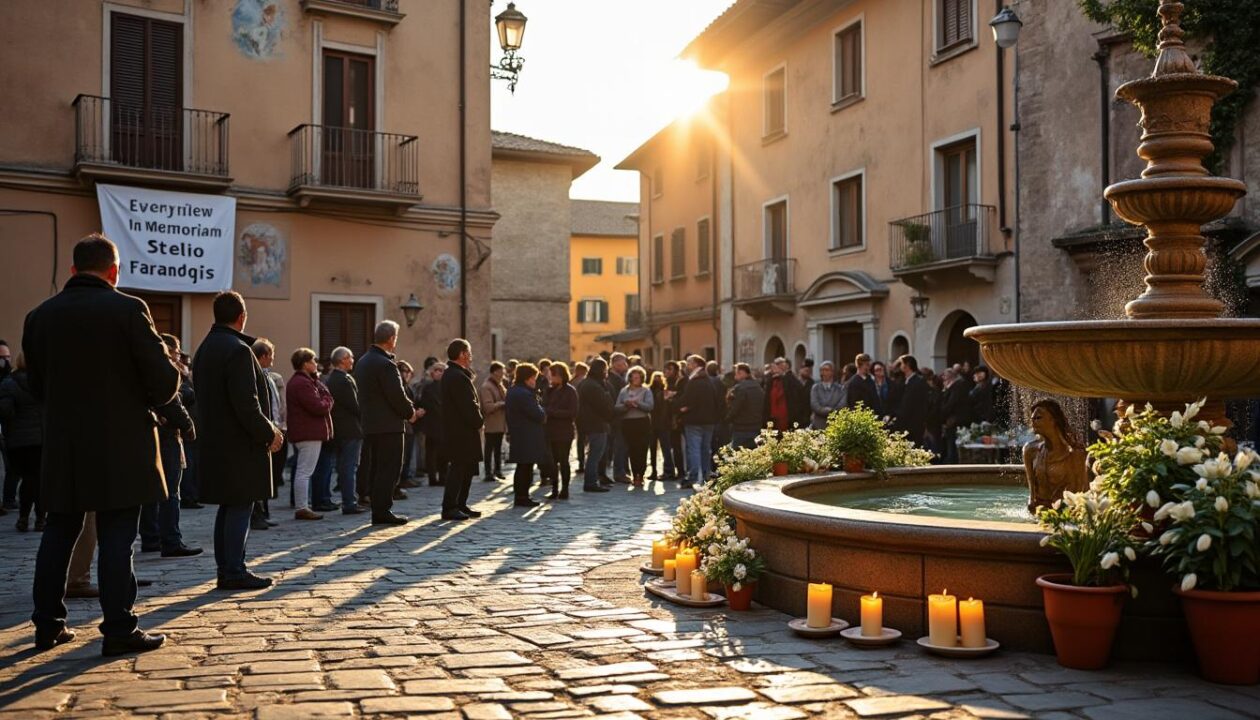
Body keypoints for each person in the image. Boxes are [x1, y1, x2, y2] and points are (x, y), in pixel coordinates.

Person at [25, 234, 177, 654]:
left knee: (58, 531)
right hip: (121, 445)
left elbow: (36, 385)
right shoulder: (129, 309)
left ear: (73, 271)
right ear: (114, 272)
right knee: (116, 536)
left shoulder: (40, 316)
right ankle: (118, 629)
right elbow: (163, 384)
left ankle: (47, 624)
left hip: (64, 445)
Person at [195, 291, 283, 591]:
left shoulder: (206, 347)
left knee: (229, 506)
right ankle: (233, 569)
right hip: (238, 444)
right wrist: (269, 433)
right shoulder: (237, 349)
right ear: (242, 316)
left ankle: (227, 568)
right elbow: (247, 404)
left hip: (216, 441)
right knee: (240, 506)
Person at [139, 334, 200, 557]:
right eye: (176, 352)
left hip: (154, 433)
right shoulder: (164, 370)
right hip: (167, 436)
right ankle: (170, 540)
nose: (179, 356)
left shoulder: (147, 369)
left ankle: (151, 537)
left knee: (153, 491)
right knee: (170, 492)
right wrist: (188, 426)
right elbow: (172, 401)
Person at [354, 321, 420, 526]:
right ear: (391, 339)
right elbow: (396, 395)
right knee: (389, 468)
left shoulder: (363, 361)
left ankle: (378, 508)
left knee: (376, 468)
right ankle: (382, 510)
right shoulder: (386, 364)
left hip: (370, 424)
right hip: (389, 425)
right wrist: (410, 413)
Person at [439, 339, 485, 521]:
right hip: (460, 432)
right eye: (469, 352)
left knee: (466, 469)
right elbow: (468, 406)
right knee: (458, 469)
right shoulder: (456, 376)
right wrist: (478, 420)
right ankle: (450, 506)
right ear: (462, 354)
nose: (471, 356)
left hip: (463, 431)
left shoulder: (457, 374)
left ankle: (460, 503)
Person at [286, 347, 333, 521]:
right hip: (308, 432)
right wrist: (328, 399)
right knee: (304, 471)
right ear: (305, 364)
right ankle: (302, 507)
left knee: (303, 470)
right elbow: (318, 406)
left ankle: (303, 505)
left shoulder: (305, 381)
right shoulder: (301, 383)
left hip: (306, 431)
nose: (316, 364)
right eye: (313, 361)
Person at [0, 352, 44, 531]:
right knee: (41, 481)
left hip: (19, 442)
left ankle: (24, 517)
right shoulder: (43, 383)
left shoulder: (8, 383)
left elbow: (5, 411)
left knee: (27, 479)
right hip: (42, 438)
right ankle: (41, 518)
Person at [1024, 398, 1089, 512]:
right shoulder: (1030, 450)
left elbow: (1082, 491)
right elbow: (1032, 494)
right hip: (1039, 513)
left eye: (1038, 418)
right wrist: (1031, 504)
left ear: (1053, 420)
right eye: (1032, 418)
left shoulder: (1075, 454)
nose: (1033, 421)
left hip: (1066, 514)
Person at [326, 346, 366, 514]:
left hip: (340, 429)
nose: (352, 360)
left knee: (344, 466)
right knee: (350, 467)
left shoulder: (330, 379)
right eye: (350, 358)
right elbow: (355, 405)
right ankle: (349, 502)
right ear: (342, 360)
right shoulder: (344, 379)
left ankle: (348, 500)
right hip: (350, 429)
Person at [249, 339, 284, 530]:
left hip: (274, 426)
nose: (273, 358)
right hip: (264, 429)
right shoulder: (255, 375)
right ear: (263, 356)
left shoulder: (268, 376)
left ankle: (264, 512)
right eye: (271, 354)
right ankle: (256, 514)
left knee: (269, 474)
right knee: (258, 476)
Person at [505, 363, 546, 508]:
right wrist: (541, 407)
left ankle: (521, 496)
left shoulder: (513, 390)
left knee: (523, 467)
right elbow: (539, 414)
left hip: (520, 434)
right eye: (533, 378)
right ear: (528, 378)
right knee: (525, 467)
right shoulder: (524, 394)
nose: (535, 381)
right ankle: (522, 496)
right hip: (527, 435)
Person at [678, 355, 718, 489]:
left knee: (694, 449)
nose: (686, 366)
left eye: (689, 363)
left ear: (695, 364)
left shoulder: (694, 381)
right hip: (709, 420)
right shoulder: (709, 380)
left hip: (694, 420)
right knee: (706, 449)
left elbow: (688, 401)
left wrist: (682, 407)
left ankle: (693, 476)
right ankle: (707, 474)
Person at [576, 357, 614, 493]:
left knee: (594, 454)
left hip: (589, 423)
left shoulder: (586, 383)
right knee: (595, 455)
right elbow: (603, 405)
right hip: (596, 424)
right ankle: (591, 482)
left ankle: (593, 480)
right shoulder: (594, 385)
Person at [615, 365, 655, 488]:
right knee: (632, 450)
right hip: (628, 423)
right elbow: (617, 407)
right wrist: (626, 405)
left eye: (638, 377)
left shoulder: (646, 390)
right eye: (634, 377)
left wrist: (638, 403)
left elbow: (650, 406)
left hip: (642, 422)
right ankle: (635, 474)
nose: (636, 379)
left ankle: (640, 475)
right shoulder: (624, 391)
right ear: (630, 378)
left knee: (642, 449)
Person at [543, 362, 578, 499]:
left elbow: (573, 412)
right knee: (552, 461)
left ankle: (565, 489)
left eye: (553, 375)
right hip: (550, 431)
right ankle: (554, 488)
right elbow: (544, 405)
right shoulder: (549, 390)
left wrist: (553, 412)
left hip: (564, 431)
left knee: (563, 461)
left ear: (561, 375)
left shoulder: (570, 391)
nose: (550, 378)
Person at [418, 362, 446, 487]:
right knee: (431, 453)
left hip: (444, 425)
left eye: (441, 370)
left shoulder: (448, 387)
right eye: (436, 370)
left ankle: (443, 477)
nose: (439, 372)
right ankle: (432, 478)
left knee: (443, 453)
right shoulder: (427, 388)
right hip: (431, 425)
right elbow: (423, 405)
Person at [726, 363, 765, 449]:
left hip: (741, 427)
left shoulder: (740, 388)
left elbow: (735, 408)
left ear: (742, 373)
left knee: (738, 455)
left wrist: (727, 419)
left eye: (736, 373)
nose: (735, 376)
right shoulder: (758, 387)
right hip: (756, 426)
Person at [480, 361, 508, 482]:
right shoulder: (487, 386)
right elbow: (488, 407)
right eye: (502, 372)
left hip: (499, 422)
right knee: (489, 448)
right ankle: (488, 472)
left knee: (497, 448)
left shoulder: (499, 385)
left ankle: (497, 470)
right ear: (495, 372)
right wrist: (503, 403)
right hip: (491, 423)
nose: (503, 374)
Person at [893, 355, 928, 446]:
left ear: (907, 365)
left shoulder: (918, 382)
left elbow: (920, 403)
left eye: (902, 364)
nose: (900, 366)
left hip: (914, 424)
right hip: (904, 423)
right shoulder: (905, 381)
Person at [398, 361, 421, 491]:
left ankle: (405, 478)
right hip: (404, 425)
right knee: (402, 456)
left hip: (411, 426)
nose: (406, 374)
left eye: (408, 372)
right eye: (404, 371)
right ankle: (400, 481)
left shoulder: (408, 387)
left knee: (407, 455)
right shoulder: (399, 386)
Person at [809, 361, 845, 430]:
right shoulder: (815, 388)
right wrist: (826, 410)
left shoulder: (840, 389)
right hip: (818, 425)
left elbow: (842, 405)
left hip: (835, 424)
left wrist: (832, 411)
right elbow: (814, 405)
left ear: (832, 372)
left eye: (826, 370)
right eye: (821, 370)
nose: (823, 373)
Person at [572, 361, 589, 473]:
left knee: (580, 439)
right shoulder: (587, 382)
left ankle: (581, 462)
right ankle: (588, 462)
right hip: (587, 414)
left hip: (577, 414)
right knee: (589, 439)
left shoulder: (571, 382)